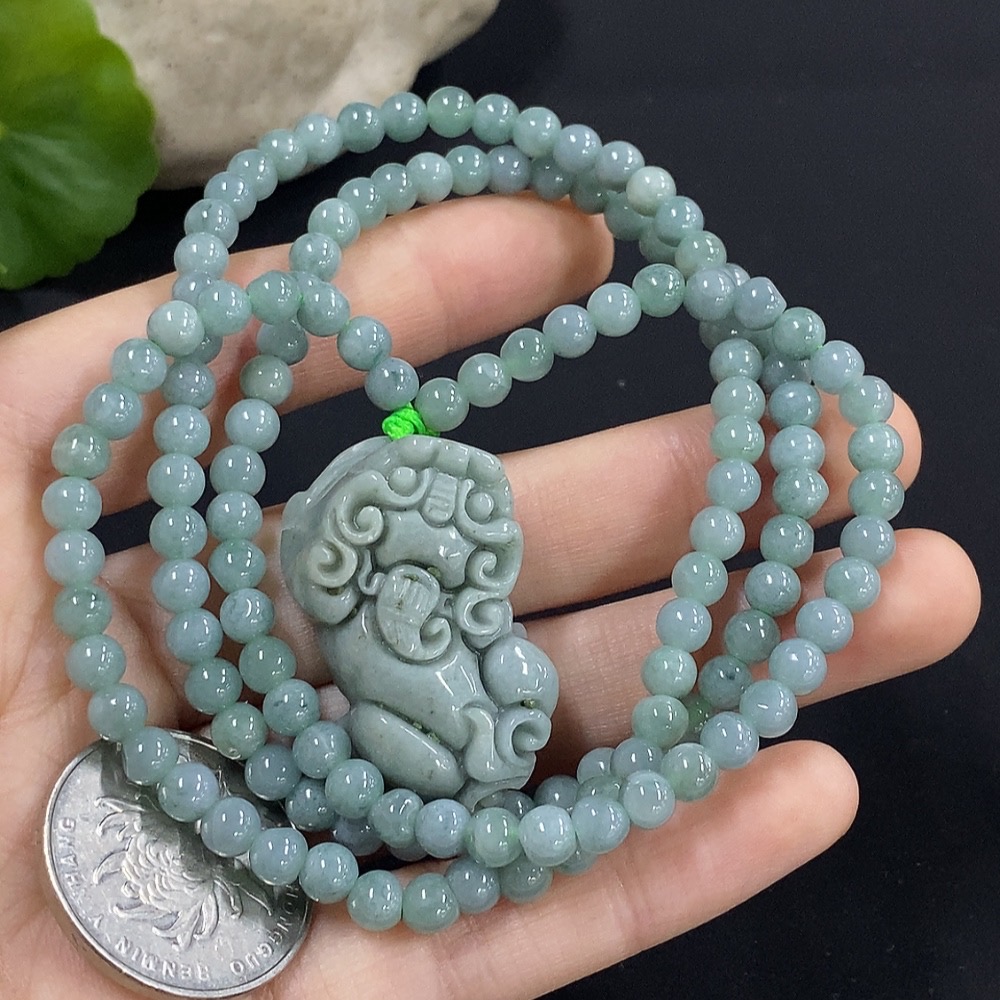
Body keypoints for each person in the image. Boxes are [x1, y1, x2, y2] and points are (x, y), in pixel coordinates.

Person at [0, 195, 980, 998]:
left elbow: (479, 651)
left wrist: (487, 691)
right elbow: (392, 691)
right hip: (418, 735)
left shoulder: (466, 612)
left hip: (467, 727)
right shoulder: (359, 608)